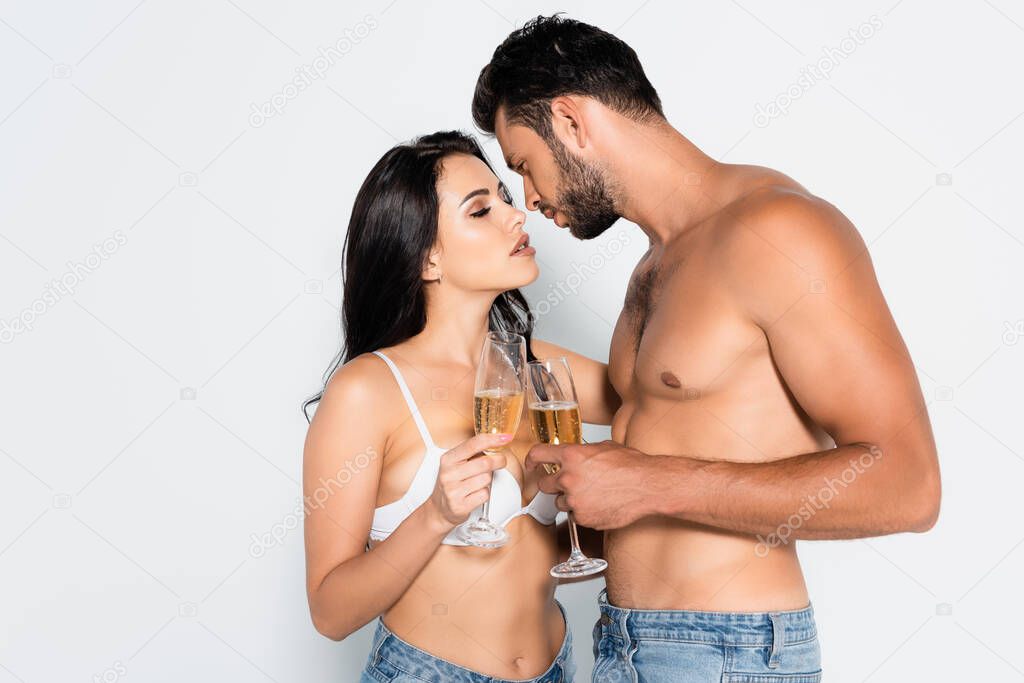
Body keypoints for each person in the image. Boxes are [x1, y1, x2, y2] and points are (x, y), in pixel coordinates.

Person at [472, 15, 941, 682]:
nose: (531, 197)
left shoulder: (779, 230)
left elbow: (909, 483)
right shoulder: (654, 266)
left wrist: (647, 481)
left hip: (728, 650)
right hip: (624, 641)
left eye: (524, 165)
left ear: (572, 121)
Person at [301, 130, 619, 682]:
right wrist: (436, 516)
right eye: (481, 211)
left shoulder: (537, 367)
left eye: (506, 198)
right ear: (428, 258)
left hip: (560, 667)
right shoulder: (367, 391)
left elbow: (666, 401)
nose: (515, 217)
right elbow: (330, 612)